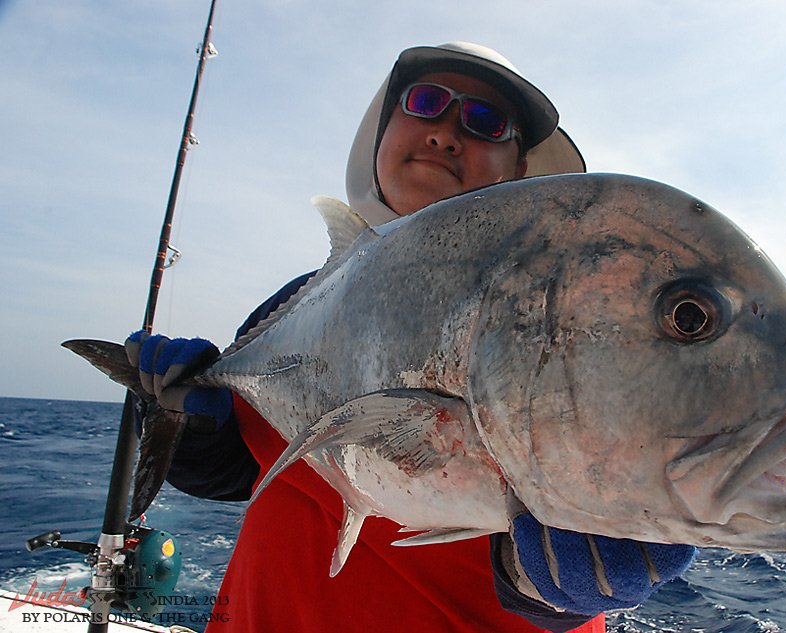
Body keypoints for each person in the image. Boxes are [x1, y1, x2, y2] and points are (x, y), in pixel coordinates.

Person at [129, 42, 696, 632]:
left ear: (520, 170)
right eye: (426, 103)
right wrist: (189, 426)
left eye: (484, 122)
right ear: (385, 129)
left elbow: (542, 542)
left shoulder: (565, 304)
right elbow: (243, 474)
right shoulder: (302, 301)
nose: (447, 133)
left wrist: (552, 584)